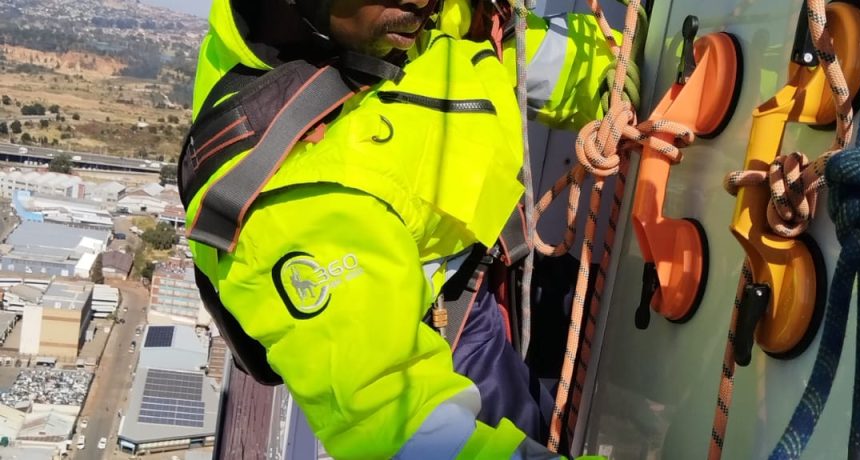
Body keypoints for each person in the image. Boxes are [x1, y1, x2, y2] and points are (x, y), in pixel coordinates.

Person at [182, 0, 627, 457]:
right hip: (423, 327)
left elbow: (492, 40)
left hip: (469, 261)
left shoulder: (375, 18)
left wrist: (616, 73)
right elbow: (409, 436)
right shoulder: (290, 207)